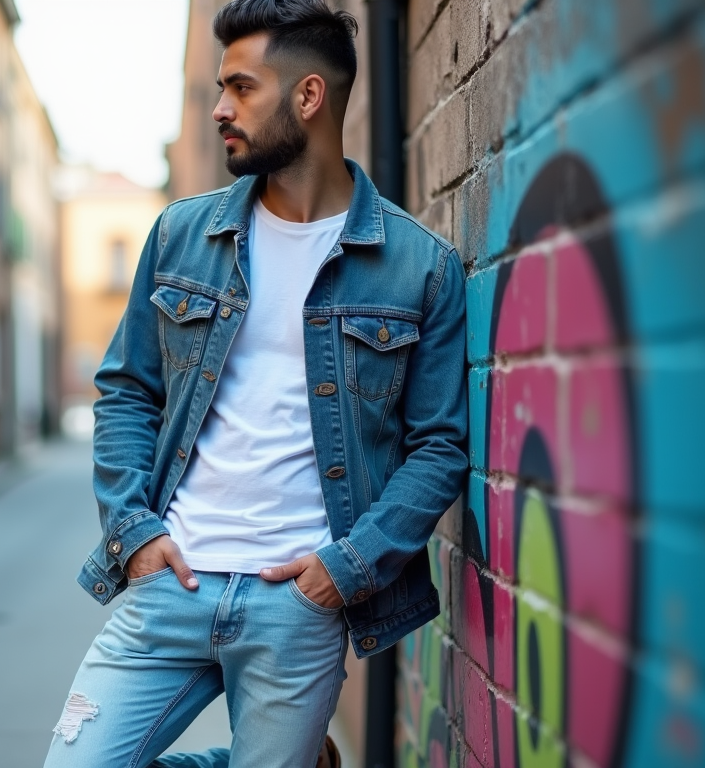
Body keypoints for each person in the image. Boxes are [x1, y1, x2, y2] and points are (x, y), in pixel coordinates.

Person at [43, 1, 467, 766]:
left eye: (240, 88)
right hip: (173, 580)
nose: (219, 110)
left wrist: (345, 571)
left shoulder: (420, 266)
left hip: (297, 602)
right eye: (216, 88)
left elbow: (438, 447)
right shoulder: (183, 234)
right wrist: (134, 532)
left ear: (307, 97)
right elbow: (127, 391)